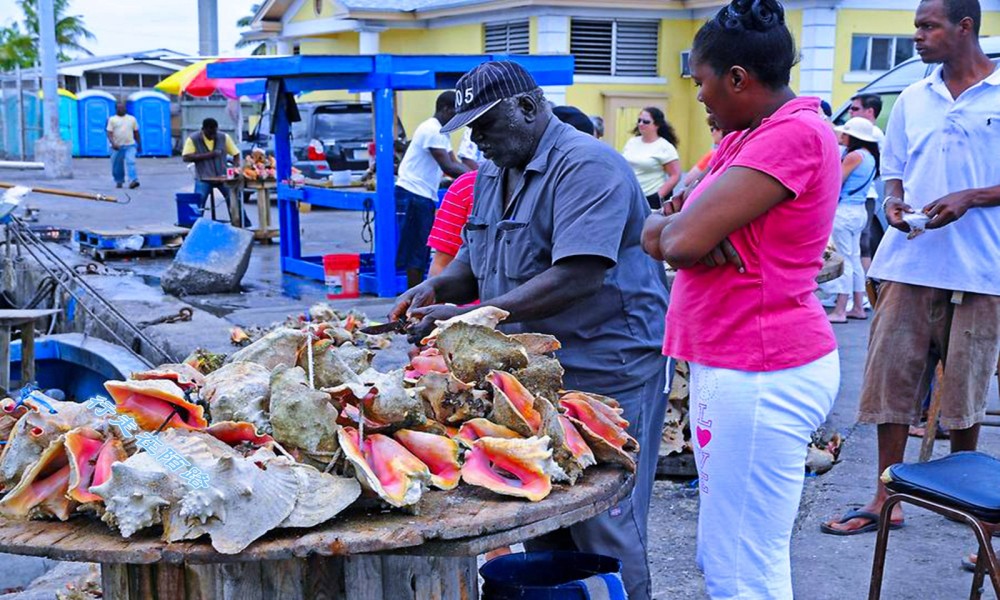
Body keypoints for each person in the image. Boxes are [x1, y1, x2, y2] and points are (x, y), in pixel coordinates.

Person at [390, 60, 669, 600]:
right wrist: (436, 290)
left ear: (526, 107)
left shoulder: (589, 167)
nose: (475, 139)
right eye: (468, 128)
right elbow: (474, 259)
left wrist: (476, 317)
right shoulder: (495, 168)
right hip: (532, 369)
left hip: (607, 365)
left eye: (484, 124)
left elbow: (579, 274)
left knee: (603, 515)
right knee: (541, 505)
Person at [642, 0, 841, 595]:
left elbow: (676, 239)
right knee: (723, 552)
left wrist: (683, 229)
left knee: (742, 568)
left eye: (700, 82)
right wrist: (679, 228)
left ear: (737, 79)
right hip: (735, 360)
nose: (698, 97)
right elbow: (660, 223)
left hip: (761, 365)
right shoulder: (746, 137)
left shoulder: (791, 136)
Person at [822, 0, 1000, 537]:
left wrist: (971, 197)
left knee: (965, 396)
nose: (917, 36)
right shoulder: (913, 99)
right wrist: (894, 203)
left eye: (928, 26)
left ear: (964, 27)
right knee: (889, 387)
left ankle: (971, 508)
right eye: (917, 26)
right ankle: (886, 498)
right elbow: (893, 172)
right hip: (910, 263)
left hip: (980, 270)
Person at [426, 105, 598, 277]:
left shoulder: (580, 190)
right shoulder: (468, 186)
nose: (476, 137)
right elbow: (443, 264)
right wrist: (434, 293)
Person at [395, 91, 470, 288]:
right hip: (413, 194)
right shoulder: (432, 130)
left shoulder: (442, 132)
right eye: (457, 112)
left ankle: (418, 294)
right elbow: (449, 167)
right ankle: (414, 297)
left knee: (422, 249)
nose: (459, 119)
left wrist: (476, 176)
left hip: (423, 195)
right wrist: (480, 180)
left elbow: (455, 162)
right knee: (416, 250)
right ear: (446, 109)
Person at [826, 117, 880, 323]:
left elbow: (834, 181)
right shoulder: (870, 157)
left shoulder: (854, 156)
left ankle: (840, 310)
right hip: (859, 211)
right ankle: (858, 306)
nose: (842, 136)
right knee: (854, 259)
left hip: (845, 211)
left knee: (844, 260)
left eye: (846, 133)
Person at [849, 93, 887, 273]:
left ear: (870, 111)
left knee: (859, 246)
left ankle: (864, 290)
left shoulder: (872, 135)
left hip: (862, 197)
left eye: (855, 109)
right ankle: (861, 292)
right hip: (863, 197)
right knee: (858, 246)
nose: (850, 113)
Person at [622, 107, 681, 210]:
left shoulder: (665, 147)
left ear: (657, 125)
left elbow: (675, 175)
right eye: (639, 121)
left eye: (646, 122)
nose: (641, 124)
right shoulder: (632, 142)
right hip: (630, 195)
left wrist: (659, 195)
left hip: (651, 197)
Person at [681, 119, 724, 188]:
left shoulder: (715, 154)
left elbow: (688, 180)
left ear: (721, 130)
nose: (712, 133)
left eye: (712, 129)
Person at [106, 102, 140, 189]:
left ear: (125, 109)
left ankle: (133, 180)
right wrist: (113, 143)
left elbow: (136, 132)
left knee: (131, 162)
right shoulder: (112, 119)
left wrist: (139, 144)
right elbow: (109, 133)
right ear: (116, 109)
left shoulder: (132, 119)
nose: (121, 109)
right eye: (119, 108)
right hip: (117, 147)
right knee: (117, 166)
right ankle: (119, 180)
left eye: (123, 108)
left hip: (130, 145)